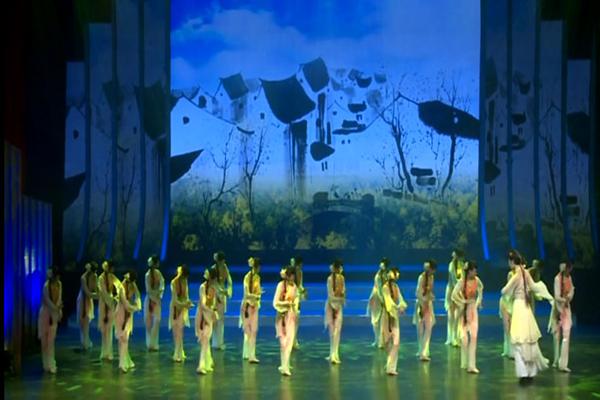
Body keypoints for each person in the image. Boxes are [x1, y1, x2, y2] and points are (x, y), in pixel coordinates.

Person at [501, 250, 553, 383]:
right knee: (529, 340)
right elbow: (534, 287)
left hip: (519, 307)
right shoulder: (526, 273)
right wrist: (545, 293)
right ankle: (531, 372)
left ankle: (523, 373)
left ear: (512, 261)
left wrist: (510, 293)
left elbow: (504, 290)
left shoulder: (517, 275)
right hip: (527, 308)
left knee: (519, 341)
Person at [451, 260, 483, 374]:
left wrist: (479, 301)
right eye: (474, 270)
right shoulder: (462, 282)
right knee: (464, 339)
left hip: (473, 310)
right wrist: (462, 302)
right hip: (464, 311)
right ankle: (464, 362)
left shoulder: (477, 280)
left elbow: (481, 289)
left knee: (474, 336)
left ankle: (471, 365)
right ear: (469, 271)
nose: (476, 272)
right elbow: (453, 295)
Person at [380, 267, 407, 375]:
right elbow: (388, 301)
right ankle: (389, 364)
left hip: (394, 316)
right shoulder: (385, 287)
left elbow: (401, 299)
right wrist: (397, 307)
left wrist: (402, 305)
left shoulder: (396, 287)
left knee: (396, 342)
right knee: (387, 342)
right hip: (386, 316)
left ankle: (391, 368)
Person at [548, 261, 575, 372]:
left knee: (566, 335)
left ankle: (563, 364)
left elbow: (572, 290)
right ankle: (556, 360)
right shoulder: (557, 279)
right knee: (556, 336)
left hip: (566, 309)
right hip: (558, 310)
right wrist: (565, 299)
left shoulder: (569, 278)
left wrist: (569, 296)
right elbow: (557, 296)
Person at [273, 266, 300, 376]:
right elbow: (275, 302)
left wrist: (295, 307)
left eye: (293, 275)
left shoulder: (294, 286)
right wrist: (286, 304)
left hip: (291, 316)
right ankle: (284, 365)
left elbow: (296, 299)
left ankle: (285, 366)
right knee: (283, 342)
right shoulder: (281, 285)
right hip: (281, 316)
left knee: (289, 341)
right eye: (290, 275)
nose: (292, 277)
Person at [115, 270, 142, 373]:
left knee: (125, 338)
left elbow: (138, 295)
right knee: (122, 338)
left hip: (128, 313)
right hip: (121, 312)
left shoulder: (132, 285)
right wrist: (135, 308)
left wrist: (136, 305)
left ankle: (123, 362)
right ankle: (122, 363)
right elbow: (125, 303)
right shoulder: (122, 286)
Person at [38, 266, 63, 373]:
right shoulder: (46, 286)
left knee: (51, 341)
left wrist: (58, 310)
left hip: (54, 314)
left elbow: (59, 298)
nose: (57, 278)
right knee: (44, 341)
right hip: (45, 314)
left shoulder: (59, 284)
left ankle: (52, 364)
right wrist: (56, 308)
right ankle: (46, 364)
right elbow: (47, 301)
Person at [240, 256, 263, 364]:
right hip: (247, 306)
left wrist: (258, 294)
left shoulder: (258, 278)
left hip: (255, 306)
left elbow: (258, 291)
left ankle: (251, 355)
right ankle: (248, 353)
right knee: (248, 330)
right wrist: (255, 296)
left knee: (254, 330)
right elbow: (246, 294)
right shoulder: (247, 277)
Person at [196, 268, 219, 374]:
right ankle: (202, 365)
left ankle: (206, 363)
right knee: (204, 340)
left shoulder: (213, 289)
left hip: (209, 316)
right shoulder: (202, 287)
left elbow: (213, 303)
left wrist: (213, 311)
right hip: (202, 315)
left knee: (206, 340)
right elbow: (203, 304)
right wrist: (210, 310)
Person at [169, 264, 193, 363]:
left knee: (180, 331)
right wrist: (184, 304)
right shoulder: (173, 282)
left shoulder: (185, 281)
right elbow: (175, 300)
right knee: (176, 331)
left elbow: (186, 295)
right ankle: (177, 353)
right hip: (175, 307)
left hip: (182, 308)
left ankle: (180, 352)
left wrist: (188, 303)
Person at [414, 259, 436, 361]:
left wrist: (431, 296)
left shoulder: (431, 278)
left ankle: (424, 351)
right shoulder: (421, 277)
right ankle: (421, 350)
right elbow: (418, 293)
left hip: (428, 304)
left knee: (428, 328)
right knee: (420, 329)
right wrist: (423, 304)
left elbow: (430, 290)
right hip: (421, 304)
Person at [98, 260, 120, 361]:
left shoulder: (112, 277)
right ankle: (104, 352)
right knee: (104, 329)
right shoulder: (101, 278)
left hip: (110, 303)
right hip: (104, 303)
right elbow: (103, 292)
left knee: (109, 328)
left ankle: (109, 353)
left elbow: (119, 286)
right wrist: (111, 300)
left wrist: (117, 297)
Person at [325, 259, 346, 364]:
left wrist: (341, 298)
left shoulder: (342, 278)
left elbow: (343, 291)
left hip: (339, 306)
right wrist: (339, 300)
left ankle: (335, 354)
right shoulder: (330, 279)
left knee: (337, 331)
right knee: (332, 332)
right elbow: (330, 295)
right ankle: (332, 354)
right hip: (331, 306)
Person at [211, 251, 232, 350]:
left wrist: (229, 290)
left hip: (222, 293)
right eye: (222, 260)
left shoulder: (225, 267)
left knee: (221, 318)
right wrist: (220, 291)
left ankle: (220, 342)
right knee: (215, 318)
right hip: (215, 293)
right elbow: (213, 283)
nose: (224, 262)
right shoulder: (213, 269)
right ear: (219, 261)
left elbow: (229, 279)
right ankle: (215, 343)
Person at [367, 257, 389, 349]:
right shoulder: (378, 276)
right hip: (377, 297)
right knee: (375, 320)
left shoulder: (387, 275)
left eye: (384, 264)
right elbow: (378, 289)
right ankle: (377, 339)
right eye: (381, 263)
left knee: (382, 320)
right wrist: (382, 300)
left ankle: (381, 340)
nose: (382, 265)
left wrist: (386, 299)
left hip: (384, 297)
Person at [144, 255, 164, 351]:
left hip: (157, 298)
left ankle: (153, 343)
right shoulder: (147, 275)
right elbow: (148, 290)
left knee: (157, 320)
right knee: (148, 323)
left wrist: (159, 295)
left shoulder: (158, 273)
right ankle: (149, 344)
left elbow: (162, 285)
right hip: (149, 299)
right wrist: (153, 298)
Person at [77, 261, 98, 350]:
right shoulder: (83, 278)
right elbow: (87, 292)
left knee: (87, 322)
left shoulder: (95, 276)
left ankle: (86, 341)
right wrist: (99, 296)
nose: (94, 273)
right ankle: (84, 342)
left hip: (89, 300)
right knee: (83, 322)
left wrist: (99, 294)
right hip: (83, 299)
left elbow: (95, 289)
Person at [445, 249, 464, 347]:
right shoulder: (451, 265)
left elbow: (461, 278)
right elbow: (453, 279)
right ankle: (450, 337)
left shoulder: (461, 265)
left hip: (458, 290)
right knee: (450, 314)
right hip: (451, 290)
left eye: (454, 253)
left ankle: (456, 336)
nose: (452, 254)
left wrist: (460, 290)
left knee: (458, 315)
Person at [499, 252, 517, 358]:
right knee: (507, 327)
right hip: (507, 301)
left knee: (513, 327)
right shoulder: (510, 274)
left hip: (514, 302)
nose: (509, 263)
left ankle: (513, 350)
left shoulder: (520, 274)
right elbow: (508, 290)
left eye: (511, 261)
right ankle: (508, 350)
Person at [290, 256, 306, 350]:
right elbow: (299, 285)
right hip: (296, 296)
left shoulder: (290, 272)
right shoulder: (299, 271)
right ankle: (293, 341)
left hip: (290, 296)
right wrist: (303, 292)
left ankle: (292, 340)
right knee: (295, 320)